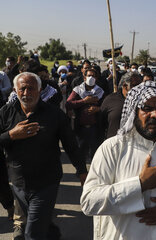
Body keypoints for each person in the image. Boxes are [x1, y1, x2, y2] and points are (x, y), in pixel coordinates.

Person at [80, 81, 156, 240]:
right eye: (147, 108)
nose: (155, 115)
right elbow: (89, 202)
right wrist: (140, 184)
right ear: (134, 111)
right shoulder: (113, 148)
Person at [0, 72, 87, 239]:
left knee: (32, 233)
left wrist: (82, 170)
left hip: (46, 183)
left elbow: (71, 145)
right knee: (40, 224)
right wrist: (11, 135)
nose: (26, 93)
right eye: (22, 89)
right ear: (14, 90)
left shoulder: (54, 115)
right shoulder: (5, 113)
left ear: (40, 90)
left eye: (31, 89)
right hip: (19, 183)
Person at [66, 68, 104, 163]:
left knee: (95, 154)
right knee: (80, 153)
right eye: (89, 75)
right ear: (84, 78)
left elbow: (106, 106)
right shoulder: (78, 90)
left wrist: (98, 109)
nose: (91, 78)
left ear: (96, 78)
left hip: (95, 128)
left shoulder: (100, 91)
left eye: (93, 76)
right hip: (81, 128)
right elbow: (68, 104)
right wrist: (84, 101)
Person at [100, 72, 142, 139]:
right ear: (125, 86)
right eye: (135, 85)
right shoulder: (110, 100)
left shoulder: (142, 101)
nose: (139, 89)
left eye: (140, 86)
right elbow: (101, 124)